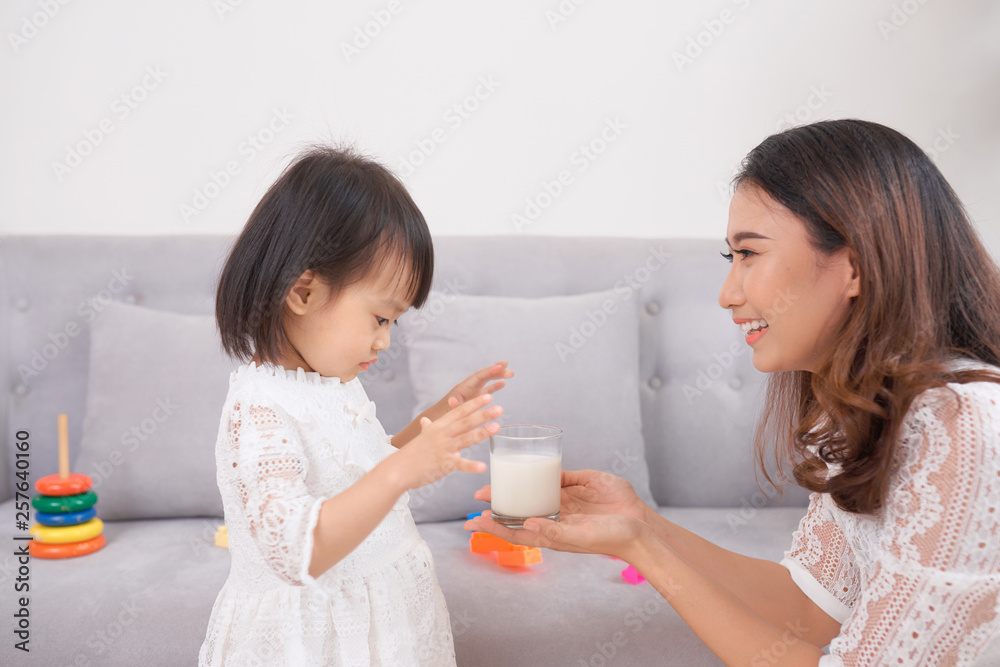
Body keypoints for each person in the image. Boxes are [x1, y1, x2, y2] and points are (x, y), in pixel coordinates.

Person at [467, 119, 1000, 665]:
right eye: (732, 257)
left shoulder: (962, 424)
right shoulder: (869, 408)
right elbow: (809, 610)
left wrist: (641, 547)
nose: (727, 294)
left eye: (749, 253)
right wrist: (640, 524)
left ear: (856, 266)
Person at [199, 145, 513, 666]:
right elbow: (296, 551)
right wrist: (405, 470)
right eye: (381, 318)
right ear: (303, 292)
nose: (385, 341)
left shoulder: (329, 382)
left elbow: (360, 473)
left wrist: (441, 415)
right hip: (314, 643)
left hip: (383, 623)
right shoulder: (258, 407)